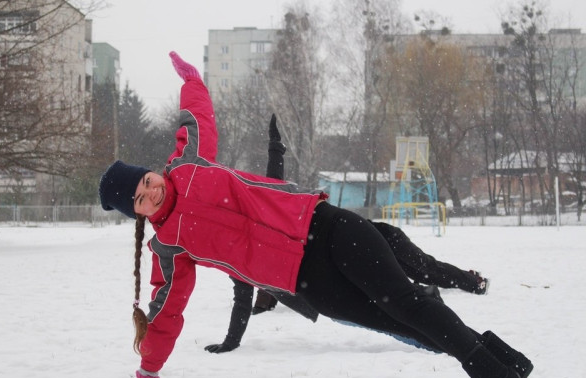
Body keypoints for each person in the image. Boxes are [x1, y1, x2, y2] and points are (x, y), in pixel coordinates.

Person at [98, 52, 533, 378]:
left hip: (325, 228)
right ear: (137, 213)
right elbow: (165, 310)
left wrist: (192, 81)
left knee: (409, 304)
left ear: (152, 172)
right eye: (139, 199)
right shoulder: (169, 248)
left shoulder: (188, 164)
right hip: (311, 284)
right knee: (403, 323)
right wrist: (148, 372)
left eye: (147, 181)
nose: (151, 192)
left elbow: (196, 120)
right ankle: (505, 359)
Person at [205, 114, 490, 355]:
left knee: (420, 274)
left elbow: (273, 182)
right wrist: (231, 341)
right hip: (349, 258)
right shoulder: (240, 255)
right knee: (395, 306)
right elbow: (244, 296)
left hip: (367, 240)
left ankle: (465, 288)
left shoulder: (264, 217)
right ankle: (437, 312)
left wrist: (275, 147)